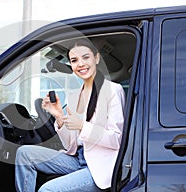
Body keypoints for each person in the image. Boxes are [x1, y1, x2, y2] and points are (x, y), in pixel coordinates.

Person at [15, 38, 126, 192]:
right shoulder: (74, 96)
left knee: (47, 190)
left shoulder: (113, 90)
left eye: (85, 57)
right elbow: (70, 146)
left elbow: (116, 140)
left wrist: (82, 126)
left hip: (99, 168)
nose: (80, 64)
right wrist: (59, 116)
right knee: (24, 154)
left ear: (97, 58)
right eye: (74, 60)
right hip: (77, 159)